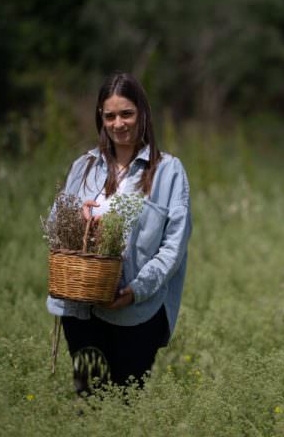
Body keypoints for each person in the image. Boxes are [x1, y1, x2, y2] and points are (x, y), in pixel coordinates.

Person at [46, 72, 192, 393]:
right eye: (109, 115)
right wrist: (78, 217)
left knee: (125, 406)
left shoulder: (168, 171)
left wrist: (134, 291)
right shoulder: (84, 166)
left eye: (127, 113)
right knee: (88, 402)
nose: (118, 124)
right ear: (101, 117)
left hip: (136, 312)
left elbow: (173, 249)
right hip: (81, 309)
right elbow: (57, 226)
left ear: (143, 113)